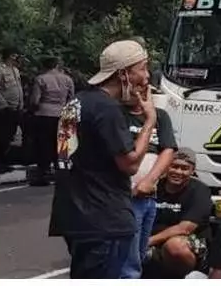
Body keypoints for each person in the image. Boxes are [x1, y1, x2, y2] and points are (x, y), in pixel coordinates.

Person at [48, 39, 158, 279]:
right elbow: (129, 164)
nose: (146, 76)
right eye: (142, 68)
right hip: (104, 218)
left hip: (73, 216)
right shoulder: (107, 109)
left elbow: (66, 154)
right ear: (123, 74)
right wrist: (149, 121)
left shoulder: (76, 102)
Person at [120, 83, 178, 277]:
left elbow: (168, 149)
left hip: (149, 196)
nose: (138, 94)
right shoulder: (117, 114)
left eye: (143, 90)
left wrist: (150, 180)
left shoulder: (161, 116)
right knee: (128, 261)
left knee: (140, 253)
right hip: (126, 196)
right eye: (134, 89)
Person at [145, 149, 211, 278]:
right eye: (174, 166)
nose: (178, 172)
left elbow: (185, 228)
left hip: (185, 243)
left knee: (175, 247)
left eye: (185, 168)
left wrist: (147, 242)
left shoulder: (201, 191)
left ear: (192, 171)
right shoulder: (154, 186)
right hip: (151, 241)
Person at [28, 56, 76, 186]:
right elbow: (71, 99)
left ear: (45, 66)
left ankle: (43, 173)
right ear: (57, 65)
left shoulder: (41, 79)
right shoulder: (67, 79)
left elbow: (35, 100)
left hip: (44, 114)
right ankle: (61, 172)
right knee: (61, 145)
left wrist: (32, 110)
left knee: (43, 144)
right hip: (62, 114)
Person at [0, 47, 24, 183]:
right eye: (15, 56)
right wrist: (2, 104)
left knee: (9, 137)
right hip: (4, 109)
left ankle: (2, 163)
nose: (17, 58)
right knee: (0, 138)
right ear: (10, 56)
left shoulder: (15, 70)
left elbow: (18, 88)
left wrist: (21, 104)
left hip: (15, 108)